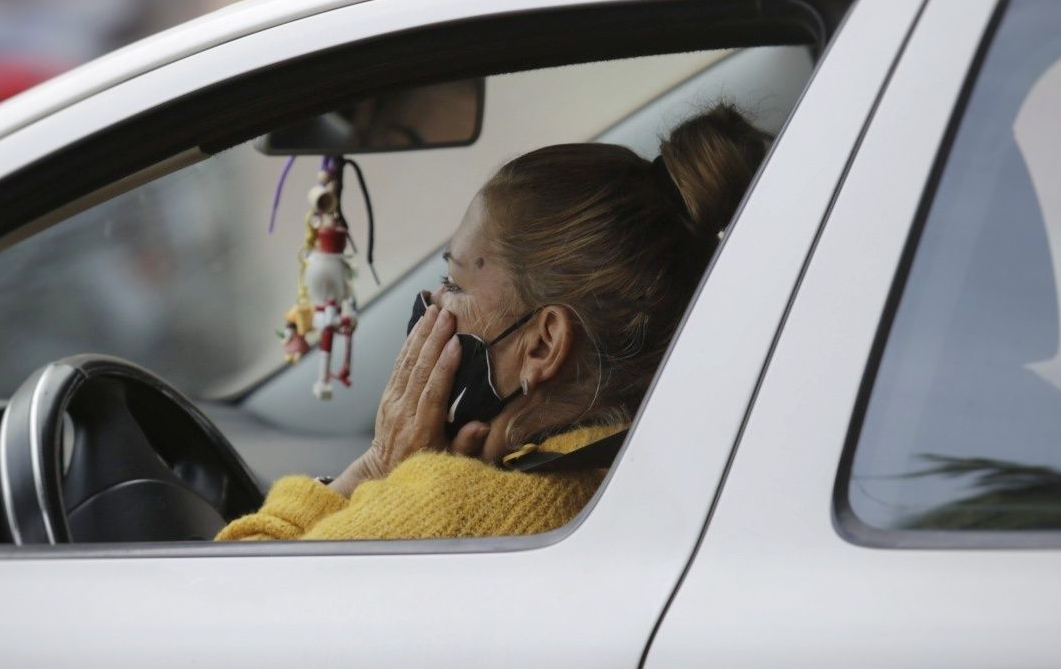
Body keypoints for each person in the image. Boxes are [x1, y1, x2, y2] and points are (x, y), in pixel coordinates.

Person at [217, 104, 770, 541]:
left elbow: (227, 602)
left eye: (455, 285)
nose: (434, 306)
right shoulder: (666, 463)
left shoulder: (448, 508)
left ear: (543, 343)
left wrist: (377, 470)